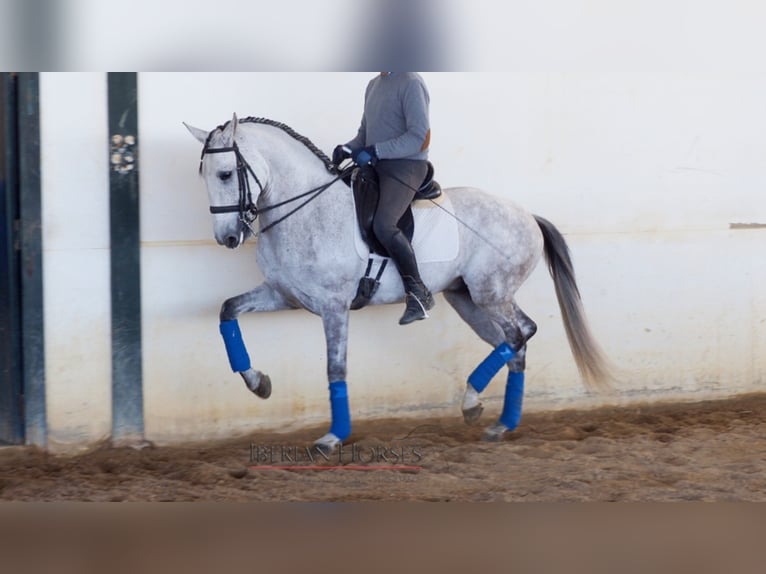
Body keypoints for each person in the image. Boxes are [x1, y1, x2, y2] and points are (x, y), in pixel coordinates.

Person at [333, 72, 435, 325]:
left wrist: (376, 150)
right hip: (377, 165)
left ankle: (418, 293)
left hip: (406, 166)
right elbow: (365, 133)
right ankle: (367, 278)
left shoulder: (411, 82)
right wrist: (349, 148)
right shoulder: (373, 85)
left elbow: (419, 137)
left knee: (384, 224)